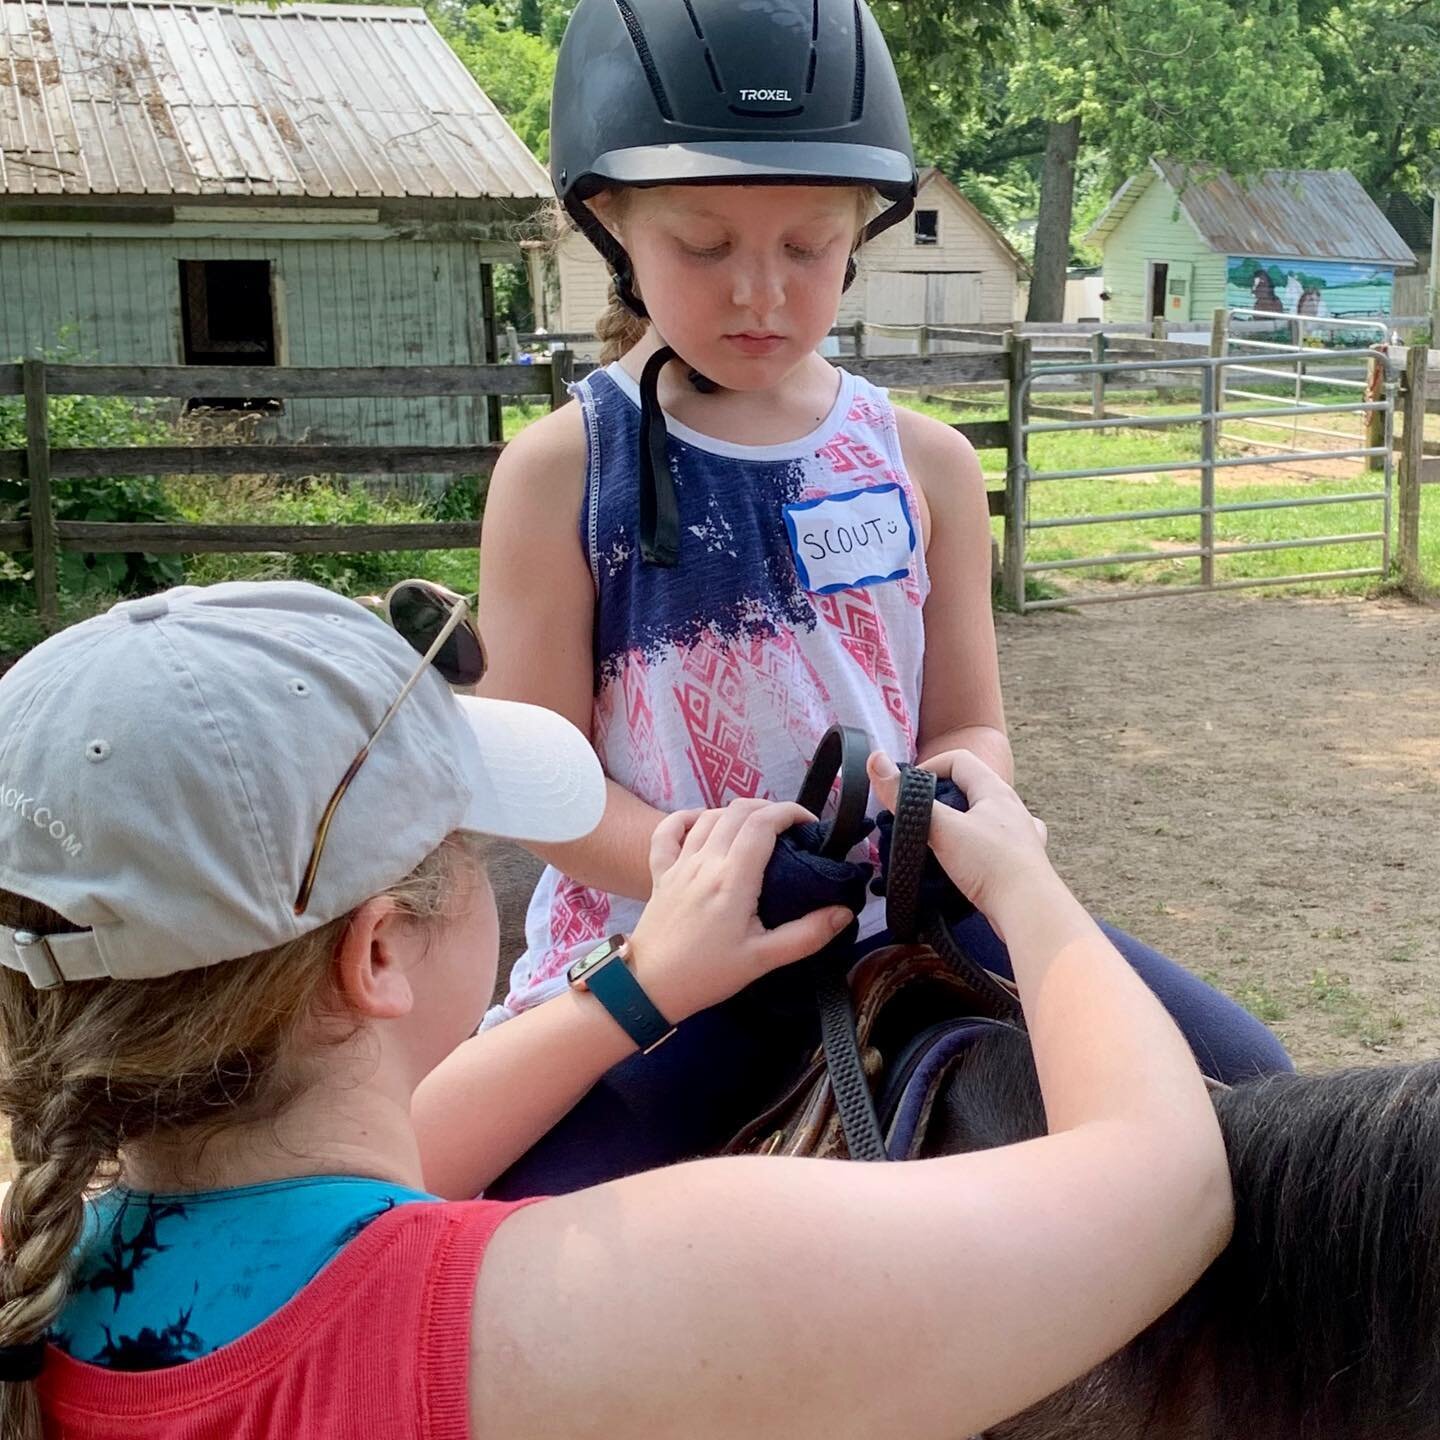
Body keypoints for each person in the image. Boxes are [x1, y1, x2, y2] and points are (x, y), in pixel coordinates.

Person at [0, 580, 1231, 1440]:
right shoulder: (611, 1296)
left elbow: (354, 1166)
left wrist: (642, 986)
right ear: (378, 953)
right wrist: (1025, 880)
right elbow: (1166, 1184)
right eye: (472, 850)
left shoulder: (48, 1263)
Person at [475, 0, 1289, 1189]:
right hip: (672, 947)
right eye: (705, 248)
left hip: (904, 915)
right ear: (609, 221)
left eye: (807, 248)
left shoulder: (928, 465)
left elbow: (968, 722)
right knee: (523, 1215)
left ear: (863, 229)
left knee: (1250, 1084)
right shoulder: (562, 472)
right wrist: (695, 867)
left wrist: (956, 804)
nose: (761, 292)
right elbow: (540, 786)